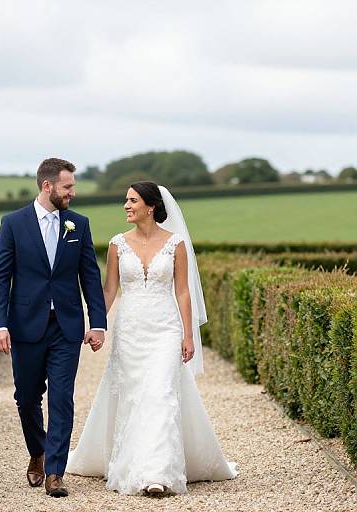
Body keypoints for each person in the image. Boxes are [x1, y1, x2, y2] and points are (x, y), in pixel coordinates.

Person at [66, 181, 238, 495]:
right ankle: (133, 461)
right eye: (126, 200)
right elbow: (109, 291)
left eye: (132, 200)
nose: (126, 206)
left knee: (160, 394)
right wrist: (95, 324)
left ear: (151, 206)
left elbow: (183, 292)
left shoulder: (176, 243)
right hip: (130, 330)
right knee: (132, 397)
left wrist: (188, 335)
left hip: (165, 329)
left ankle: (158, 473)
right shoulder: (117, 243)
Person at [0, 158, 107, 498]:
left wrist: (97, 323)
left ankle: (55, 471)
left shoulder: (78, 225)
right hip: (25, 326)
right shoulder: (13, 223)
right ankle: (38, 451)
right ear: (47, 186)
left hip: (66, 327)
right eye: (68, 187)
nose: (73, 192)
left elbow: (90, 276)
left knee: (62, 398)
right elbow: (0, 278)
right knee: (26, 398)